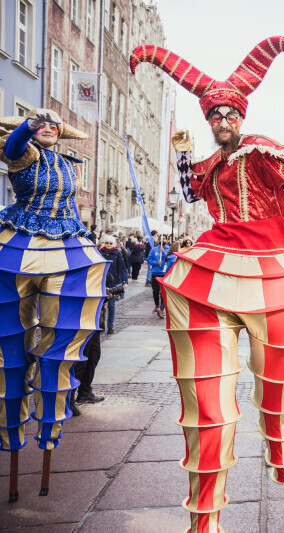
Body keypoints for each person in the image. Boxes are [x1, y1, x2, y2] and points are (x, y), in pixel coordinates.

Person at [131, 35, 284, 531]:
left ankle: (283, 452)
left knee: (280, 382)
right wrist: (185, 154)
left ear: (241, 117)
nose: (223, 124)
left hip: (271, 262)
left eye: (230, 115)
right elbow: (191, 194)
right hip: (216, 262)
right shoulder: (213, 164)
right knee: (208, 395)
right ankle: (205, 513)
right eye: (215, 118)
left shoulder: (261, 153)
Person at [0, 109, 106, 481]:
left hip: (64, 243)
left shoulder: (67, 162)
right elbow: (13, 147)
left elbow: (68, 203)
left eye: (52, 124)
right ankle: (11, 432)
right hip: (21, 243)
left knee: (58, 343)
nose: (47, 127)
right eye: (40, 124)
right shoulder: (22, 151)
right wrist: (28, 125)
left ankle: (50, 429)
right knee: (11, 342)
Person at [98, 235, 129, 334]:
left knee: (111, 306)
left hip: (114, 283)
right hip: (101, 283)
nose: (108, 245)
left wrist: (125, 281)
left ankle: (110, 326)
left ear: (114, 244)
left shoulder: (117, 253)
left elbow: (122, 268)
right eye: (106, 243)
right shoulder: (99, 252)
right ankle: (101, 324)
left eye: (110, 243)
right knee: (101, 306)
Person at [147, 237, 168, 318]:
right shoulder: (153, 250)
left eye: (165, 239)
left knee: (163, 291)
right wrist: (156, 262)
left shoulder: (168, 249)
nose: (164, 241)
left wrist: (164, 253)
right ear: (159, 241)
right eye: (162, 239)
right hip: (155, 272)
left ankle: (161, 309)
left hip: (164, 273)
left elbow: (170, 259)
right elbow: (149, 260)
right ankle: (157, 305)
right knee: (155, 290)